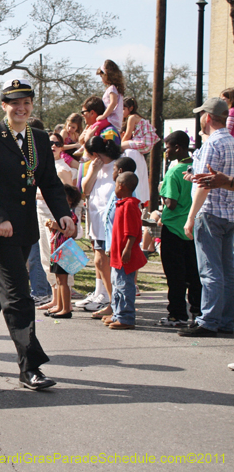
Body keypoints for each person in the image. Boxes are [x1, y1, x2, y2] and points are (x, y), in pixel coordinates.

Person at [0, 78, 74, 390]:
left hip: (24, 230)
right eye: (15, 103)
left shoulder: (38, 139)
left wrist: (63, 212)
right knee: (19, 295)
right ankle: (30, 367)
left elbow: (50, 182)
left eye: (26, 103)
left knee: (0, 296)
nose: (21, 108)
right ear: (4, 106)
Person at [179, 97, 234, 338]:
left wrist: (191, 217)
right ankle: (226, 318)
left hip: (210, 212)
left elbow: (204, 186)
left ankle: (208, 320)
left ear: (208, 117)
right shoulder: (231, 141)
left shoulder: (212, 144)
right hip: (230, 213)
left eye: (202, 114)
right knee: (227, 270)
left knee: (210, 270)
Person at [158, 131, 201, 326]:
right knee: (194, 274)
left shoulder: (174, 172)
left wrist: (162, 193)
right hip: (192, 229)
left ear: (177, 148)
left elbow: (172, 203)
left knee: (175, 276)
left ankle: (177, 314)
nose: (166, 152)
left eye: (167, 148)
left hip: (174, 228)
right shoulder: (196, 167)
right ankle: (198, 312)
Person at [76, 135, 121, 313]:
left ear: (96, 153)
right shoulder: (95, 166)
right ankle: (102, 294)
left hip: (109, 222)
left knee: (103, 261)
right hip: (95, 220)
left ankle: (112, 301)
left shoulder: (118, 165)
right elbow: (84, 190)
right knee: (98, 260)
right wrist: (93, 171)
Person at [100, 172, 147, 330]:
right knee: (116, 284)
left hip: (125, 256)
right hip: (117, 255)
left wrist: (127, 249)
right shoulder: (121, 204)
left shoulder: (130, 205)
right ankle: (117, 313)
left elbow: (132, 232)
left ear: (121, 186)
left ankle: (126, 317)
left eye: (115, 185)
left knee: (124, 286)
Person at [42, 184, 82, 319]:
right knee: (58, 280)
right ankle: (59, 305)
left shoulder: (70, 215)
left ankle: (66, 308)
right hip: (56, 252)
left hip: (64, 251)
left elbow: (73, 233)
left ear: (70, 200)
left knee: (63, 281)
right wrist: (51, 227)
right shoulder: (59, 214)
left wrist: (56, 227)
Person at [120, 97, 158, 207]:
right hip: (143, 143)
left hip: (142, 142)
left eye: (123, 109)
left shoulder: (132, 118)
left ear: (130, 108)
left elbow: (127, 135)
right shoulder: (139, 118)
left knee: (120, 146)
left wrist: (121, 143)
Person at [96, 59, 126, 130]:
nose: (101, 79)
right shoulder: (115, 89)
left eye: (102, 76)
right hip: (112, 119)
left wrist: (103, 116)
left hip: (112, 119)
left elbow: (113, 103)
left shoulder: (112, 89)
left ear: (107, 75)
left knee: (95, 128)